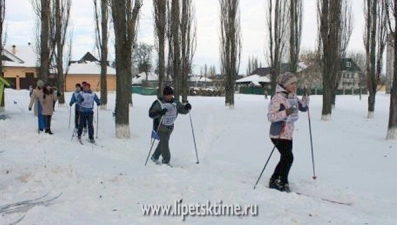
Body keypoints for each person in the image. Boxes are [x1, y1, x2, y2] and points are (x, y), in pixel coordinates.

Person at [267, 72, 309, 193]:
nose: (295, 86)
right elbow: (271, 117)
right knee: (288, 158)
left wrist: (306, 98)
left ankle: (275, 179)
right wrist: (286, 112)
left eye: (295, 83)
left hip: (288, 134)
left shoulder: (293, 96)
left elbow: (303, 108)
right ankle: (282, 181)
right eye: (292, 83)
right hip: (278, 134)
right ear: (285, 84)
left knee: (285, 158)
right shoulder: (277, 98)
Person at [148, 86, 192, 165]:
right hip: (160, 127)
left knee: (163, 143)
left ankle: (154, 156)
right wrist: (160, 113)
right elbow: (151, 114)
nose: (169, 97)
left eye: (171, 95)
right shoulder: (159, 103)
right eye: (167, 95)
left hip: (170, 127)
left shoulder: (175, 102)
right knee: (165, 144)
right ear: (164, 95)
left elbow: (182, 109)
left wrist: (186, 108)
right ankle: (166, 161)